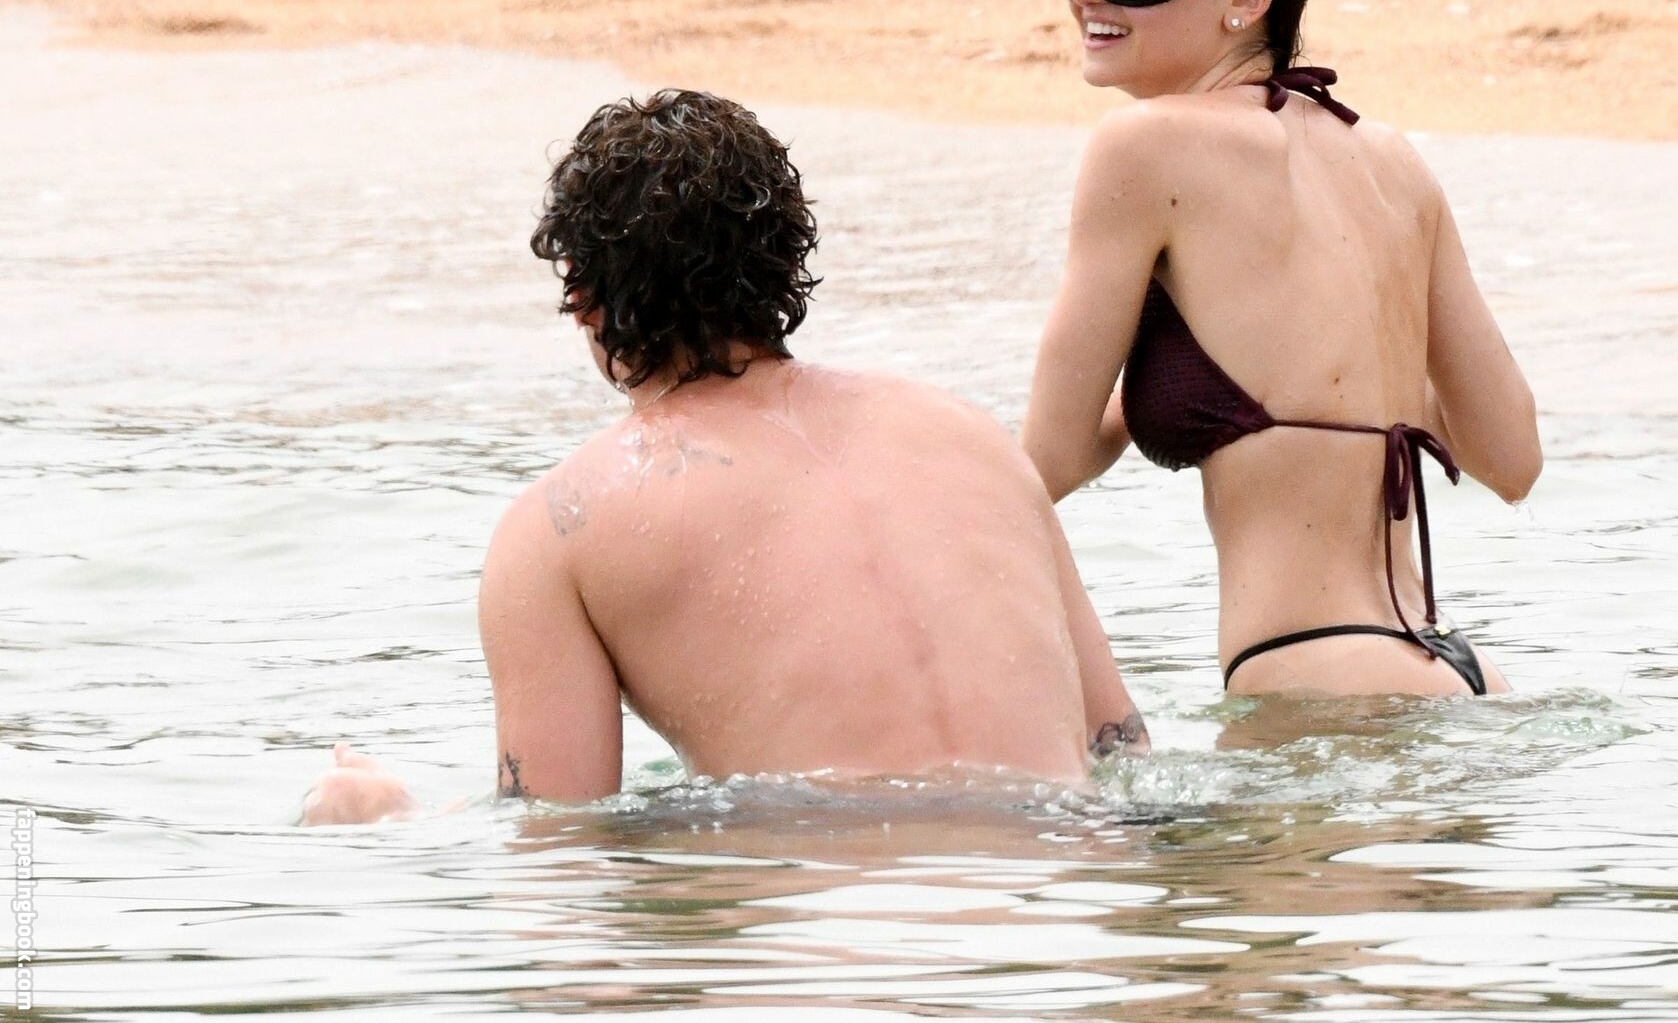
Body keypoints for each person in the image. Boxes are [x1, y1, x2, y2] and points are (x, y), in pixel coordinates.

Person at [301, 90, 1144, 824]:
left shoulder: (561, 529)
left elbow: (558, 848)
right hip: (1059, 887)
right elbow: (1122, 754)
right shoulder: (971, 437)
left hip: (843, 921)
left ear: (582, 297)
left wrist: (389, 816)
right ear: (787, 256)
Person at [1019, 0, 1542, 700]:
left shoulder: (1142, 147)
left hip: (1310, 675)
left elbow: (1048, 461)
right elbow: (1512, 459)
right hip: (1461, 673)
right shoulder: (1389, 159)